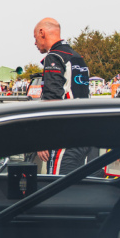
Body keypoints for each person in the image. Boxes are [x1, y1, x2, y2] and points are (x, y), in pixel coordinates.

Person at [33, 18, 91, 173]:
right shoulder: (77, 57)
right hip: (85, 134)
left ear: (42, 33)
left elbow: (52, 99)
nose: (35, 43)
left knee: (57, 184)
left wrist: (42, 140)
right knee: (76, 184)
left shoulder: (54, 57)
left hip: (64, 137)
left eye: (35, 37)